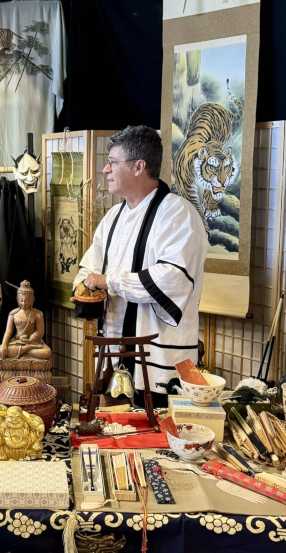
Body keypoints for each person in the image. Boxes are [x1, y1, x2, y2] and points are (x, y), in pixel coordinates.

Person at [72, 125, 207, 406]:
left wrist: (109, 282)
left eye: (112, 162)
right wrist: (87, 294)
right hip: (114, 355)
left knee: (156, 430)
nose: (105, 169)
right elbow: (89, 268)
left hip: (158, 359)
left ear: (138, 166)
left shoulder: (178, 214)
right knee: (115, 428)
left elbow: (173, 279)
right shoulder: (112, 217)